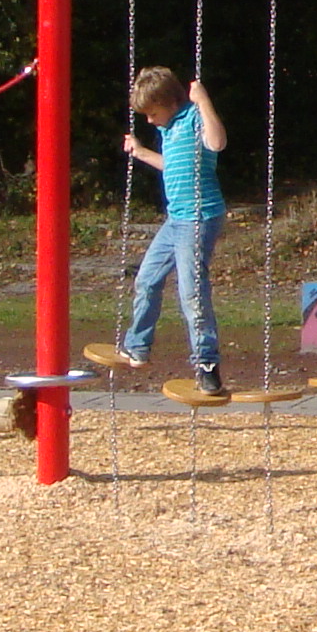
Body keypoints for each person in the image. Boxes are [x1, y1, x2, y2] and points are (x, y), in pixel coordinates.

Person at [111, 65, 230, 399]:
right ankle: (137, 346)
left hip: (199, 218)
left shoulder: (193, 118)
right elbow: (173, 165)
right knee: (146, 280)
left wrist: (203, 100)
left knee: (192, 293)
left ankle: (207, 366)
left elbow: (217, 142)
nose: (150, 120)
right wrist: (141, 152)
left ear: (169, 102)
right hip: (176, 220)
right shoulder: (169, 128)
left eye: (152, 113)